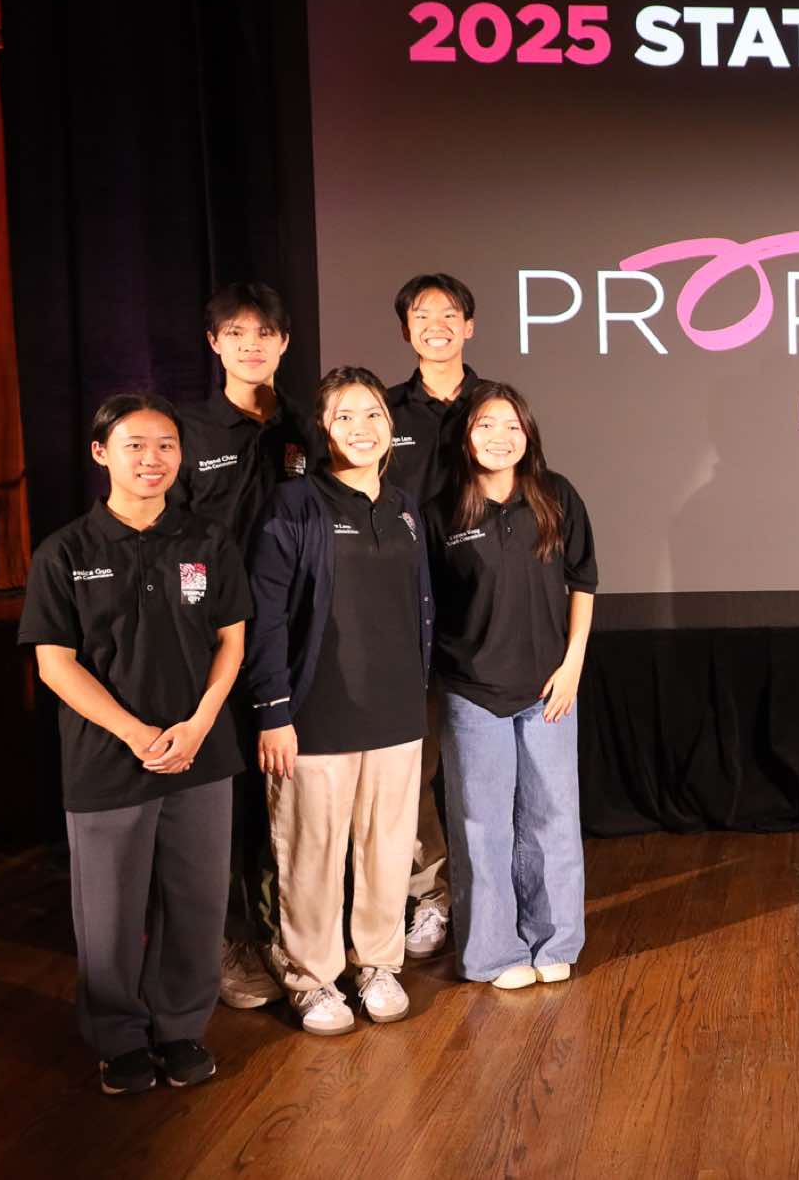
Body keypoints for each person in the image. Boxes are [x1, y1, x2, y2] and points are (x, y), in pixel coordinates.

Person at [19, 393, 251, 1093]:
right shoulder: (66, 551)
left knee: (197, 904)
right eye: (135, 445)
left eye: (166, 445)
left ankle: (181, 1028)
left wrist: (200, 723)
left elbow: (231, 641)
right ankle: (118, 1037)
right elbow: (55, 664)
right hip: (106, 759)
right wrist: (136, 732)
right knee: (109, 912)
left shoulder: (208, 540)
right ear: (101, 453)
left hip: (201, 755)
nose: (153, 459)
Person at [246, 366, 433, 1034]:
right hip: (315, 717)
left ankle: (377, 963)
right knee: (311, 855)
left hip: (397, 714)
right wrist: (273, 711)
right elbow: (265, 615)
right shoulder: (294, 504)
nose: (362, 427)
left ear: (390, 426)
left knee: (387, 852)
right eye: (345, 416)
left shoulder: (405, 506)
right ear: (323, 430)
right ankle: (311, 976)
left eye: (373, 413)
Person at [171, 281, 312, 1014]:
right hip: (215, 643)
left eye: (264, 333)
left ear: (284, 342)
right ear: (214, 343)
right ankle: (228, 940)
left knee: (287, 798)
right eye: (235, 332)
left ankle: (289, 934)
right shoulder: (188, 430)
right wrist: (200, 618)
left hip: (296, 639)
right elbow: (173, 539)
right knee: (223, 801)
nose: (250, 344)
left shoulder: (307, 426)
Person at [427, 384, 598, 988]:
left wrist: (573, 664)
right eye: (485, 425)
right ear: (465, 436)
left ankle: (554, 942)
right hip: (472, 691)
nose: (499, 438)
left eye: (512, 427)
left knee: (553, 818)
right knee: (482, 826)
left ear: (529, 435)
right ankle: (495, 954)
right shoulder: (441, 511)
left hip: (550, 686)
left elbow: (583, 582)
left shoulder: (556, 496)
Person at [386, 273, 490, 960]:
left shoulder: (496, 404)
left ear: (469, 326)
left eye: (449, 313)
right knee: (415, 766)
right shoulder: (385, 411)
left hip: (487, 608)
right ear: (407, 330)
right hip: (408, 612)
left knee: (484, 764)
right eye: (422, 315)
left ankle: (493, 892)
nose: (436, 324)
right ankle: (430, 893)